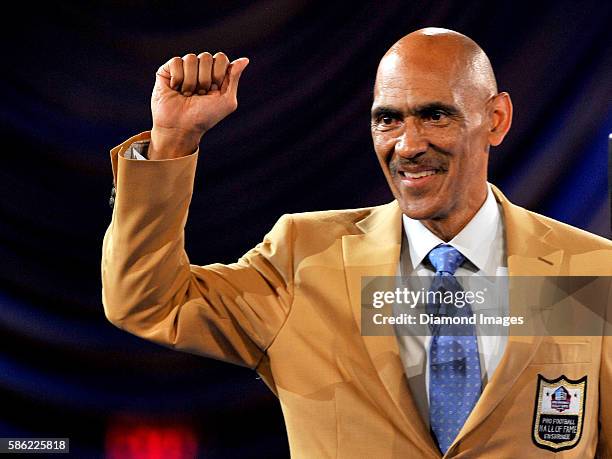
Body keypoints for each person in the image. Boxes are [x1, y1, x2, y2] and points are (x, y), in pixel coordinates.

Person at [102, 28, 612, 457]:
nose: (408, 146)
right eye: (388, 119)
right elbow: (147, 302)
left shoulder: (588, 270)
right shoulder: (305, 258)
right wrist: (173, 141)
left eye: (436, 115)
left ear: (496, 119)